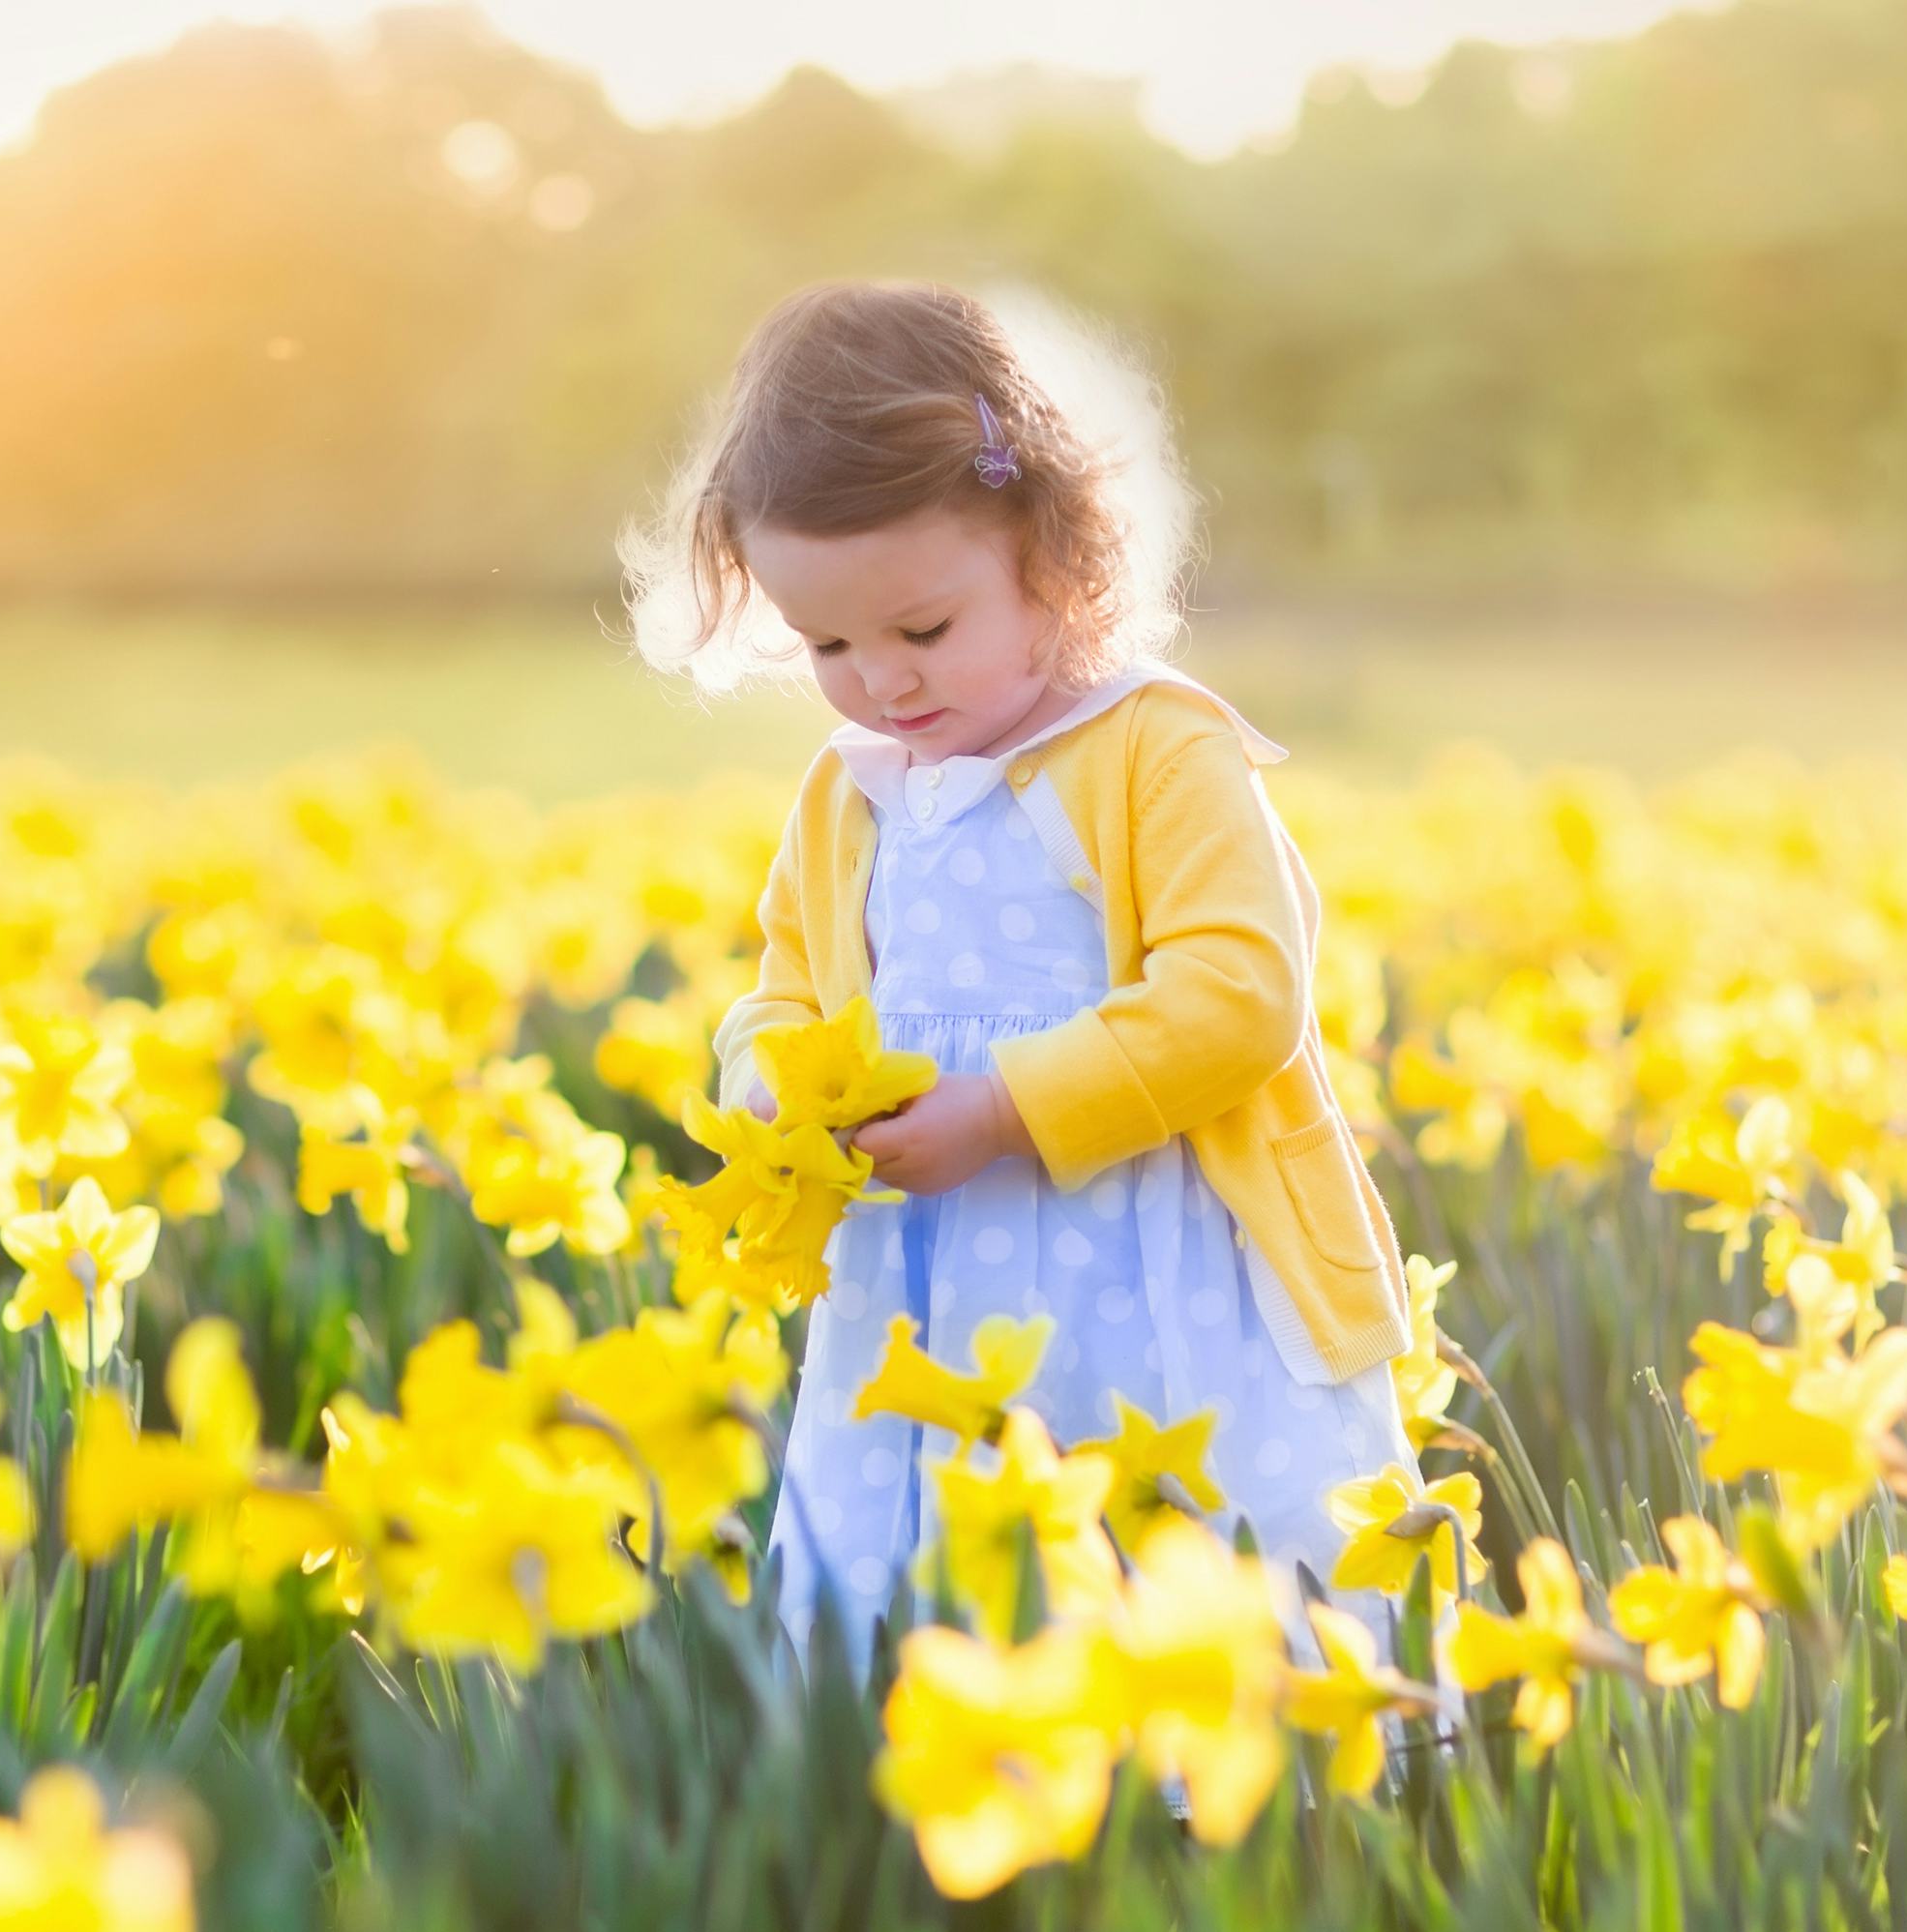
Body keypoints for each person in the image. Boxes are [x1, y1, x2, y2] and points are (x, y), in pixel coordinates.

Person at [619, 279, 1453, 1759]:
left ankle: (1238, 1848)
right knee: (940, 1603)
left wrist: (1004, 1108)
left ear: (1058, 562)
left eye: (925, 627)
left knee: (1183, 1595)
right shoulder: (849, 787)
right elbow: (788, 987)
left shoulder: (1155, 750)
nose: (877, 681)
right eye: (826, 647)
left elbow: (1239, 997)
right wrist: (765, 1084)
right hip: (918, 1296)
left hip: (1162, 1278)